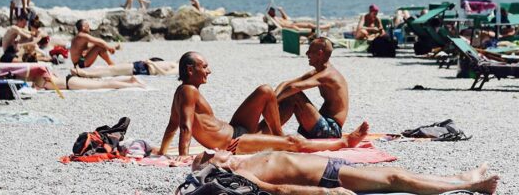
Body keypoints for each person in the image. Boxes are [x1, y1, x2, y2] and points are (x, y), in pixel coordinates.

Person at [156, 51, 369, 157]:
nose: (209, 71)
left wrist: (162, 151)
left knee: (265, 90)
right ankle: (345, 142)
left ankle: (276, 134)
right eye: (204, 67)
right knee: (293, 143)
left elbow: (171, 125)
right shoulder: (188, 91)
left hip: (236, 128)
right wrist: (182, 158)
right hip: (235, 141)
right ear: (191, 70)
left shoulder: (183, 93)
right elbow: (184, 126)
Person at [189, 149, 499, 195]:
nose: (221, 149)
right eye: (213, 153)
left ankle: (461, 178)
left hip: (331, 166)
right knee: (397, 179)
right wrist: (328, 192)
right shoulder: (240, 175)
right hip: (330, 178)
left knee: (397, 172)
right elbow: (278, 191)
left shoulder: (241, 160)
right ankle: (470, 186)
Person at [267, 38, 348, 139]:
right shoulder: (317, 72)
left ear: (320, 53)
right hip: (321, 125)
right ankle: (267, 130)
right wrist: (273, 98)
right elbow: (287, 83)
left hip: (331, 130)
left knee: (295, 95)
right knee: (290, 97)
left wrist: (272, 103)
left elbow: (294, 87)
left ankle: (266, 131)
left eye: (310, 51)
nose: (306, 53)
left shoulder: (328, 75)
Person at [71, 58, 178, 78]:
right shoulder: (175, 62)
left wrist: (152, 63)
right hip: (142, 65)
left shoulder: (178, 67)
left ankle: (85, 73)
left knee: (112, 71)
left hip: (144, 69)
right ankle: (85, 72)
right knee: (112, 68)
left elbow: (165, 74)